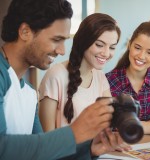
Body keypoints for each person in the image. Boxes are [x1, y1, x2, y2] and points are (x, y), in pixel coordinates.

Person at [0, 0, 119, 159]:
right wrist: (75, 132)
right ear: (25, 32)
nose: (62, 51)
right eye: (56, 40)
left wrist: (90, 150)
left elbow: (44, 152)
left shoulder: (28, 92)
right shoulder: (3, 78)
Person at [39, 13, 130, 152]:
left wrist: (111, 142)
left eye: (112, 47)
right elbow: (47, 142)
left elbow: (107, 126)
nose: (106, 53)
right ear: (83, 42)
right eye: (100, 45)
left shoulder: (100, 78)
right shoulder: (55, 76)